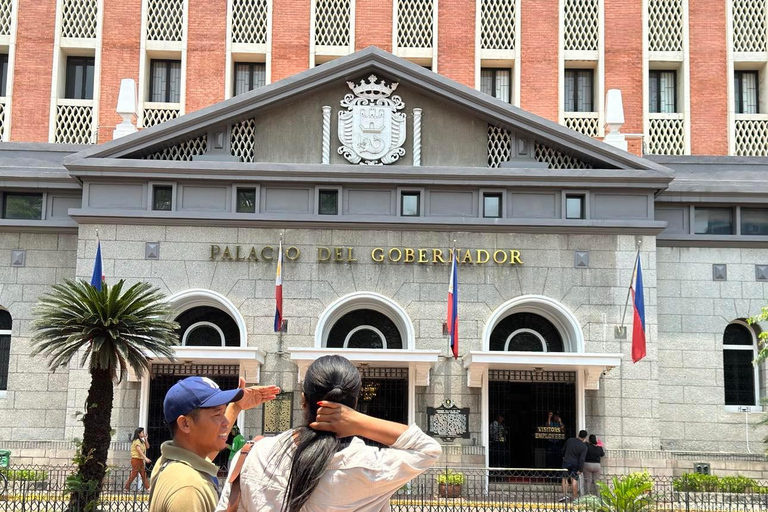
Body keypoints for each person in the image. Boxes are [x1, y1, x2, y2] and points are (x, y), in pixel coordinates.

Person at [217, 355, 442, 512]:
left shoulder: (254, 455)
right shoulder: (370, 466)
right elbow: (428, 449)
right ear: (353, 404)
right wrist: (358, 421)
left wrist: (235, 407)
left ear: (304, 401)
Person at [149, 377, 280, 512]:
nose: (226, 422)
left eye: (223, 413)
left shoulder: (170, 463)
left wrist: (236, 407)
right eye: (217, 415)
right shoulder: (189, 489)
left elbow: (204, 457)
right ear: (185, 424)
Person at [559, 429, 588, 502]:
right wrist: (580, 469)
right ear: (585, 437)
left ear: (578, 434)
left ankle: (565, 495)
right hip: (576, 464)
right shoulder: (584, 447)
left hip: (566, 461)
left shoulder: (570, 440)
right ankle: (574, 498)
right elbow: (582, 459)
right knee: (574, 480)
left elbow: (563, 450)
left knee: (564, 478)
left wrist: (563, 456)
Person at [124, 427, 151, 492]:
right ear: (139, 433)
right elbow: (139, 450)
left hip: (140, 460)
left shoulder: (142, 441)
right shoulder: (136, 441)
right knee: (134, 474)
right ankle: (126, 487)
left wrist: (146, 439)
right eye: (142, 432)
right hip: (136, 459)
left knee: (143, 474)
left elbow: (148, 447)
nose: (143, 433)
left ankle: (148, 488)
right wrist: (145, 458)